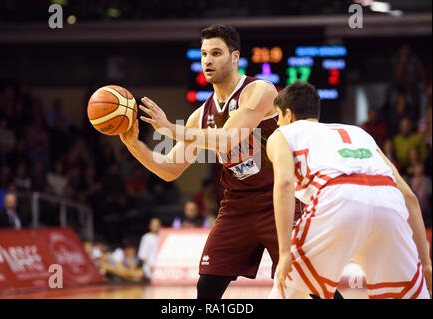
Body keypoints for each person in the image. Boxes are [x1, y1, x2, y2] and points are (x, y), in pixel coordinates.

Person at [120, 24, 304, 299]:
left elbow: (229, 138)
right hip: (237, 206)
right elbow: (170, 170)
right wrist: (133, 143)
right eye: (204, 54)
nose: (207, 60)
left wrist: (170, 128)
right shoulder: (200, 115)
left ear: (234, 57)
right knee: (206, 287)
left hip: (278, 200)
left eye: (216, 53)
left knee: (309, 285)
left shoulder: (260, 90)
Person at [266, 81, 431, 299]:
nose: (277, 123)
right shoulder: (359, 134)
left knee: (287, 289)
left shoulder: (282, 134)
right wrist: (426, 264)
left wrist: (285, 252)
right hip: (389, 202)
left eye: (277, 116)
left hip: (339, 197)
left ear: (288, 115)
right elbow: (409, 196)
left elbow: (284, 183)